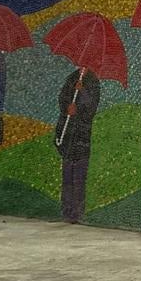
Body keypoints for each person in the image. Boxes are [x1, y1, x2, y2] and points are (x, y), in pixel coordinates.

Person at [55, 66, 100, 223]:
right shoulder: (72, 78)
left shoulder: (92, 81)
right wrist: (67, 107)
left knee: (79, 176)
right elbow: (63, 98)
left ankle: (77, 212)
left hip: (82, 135)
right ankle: (66, 210)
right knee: (67, 175)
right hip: (68, 134)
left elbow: (92, 107)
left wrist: (82, 93)